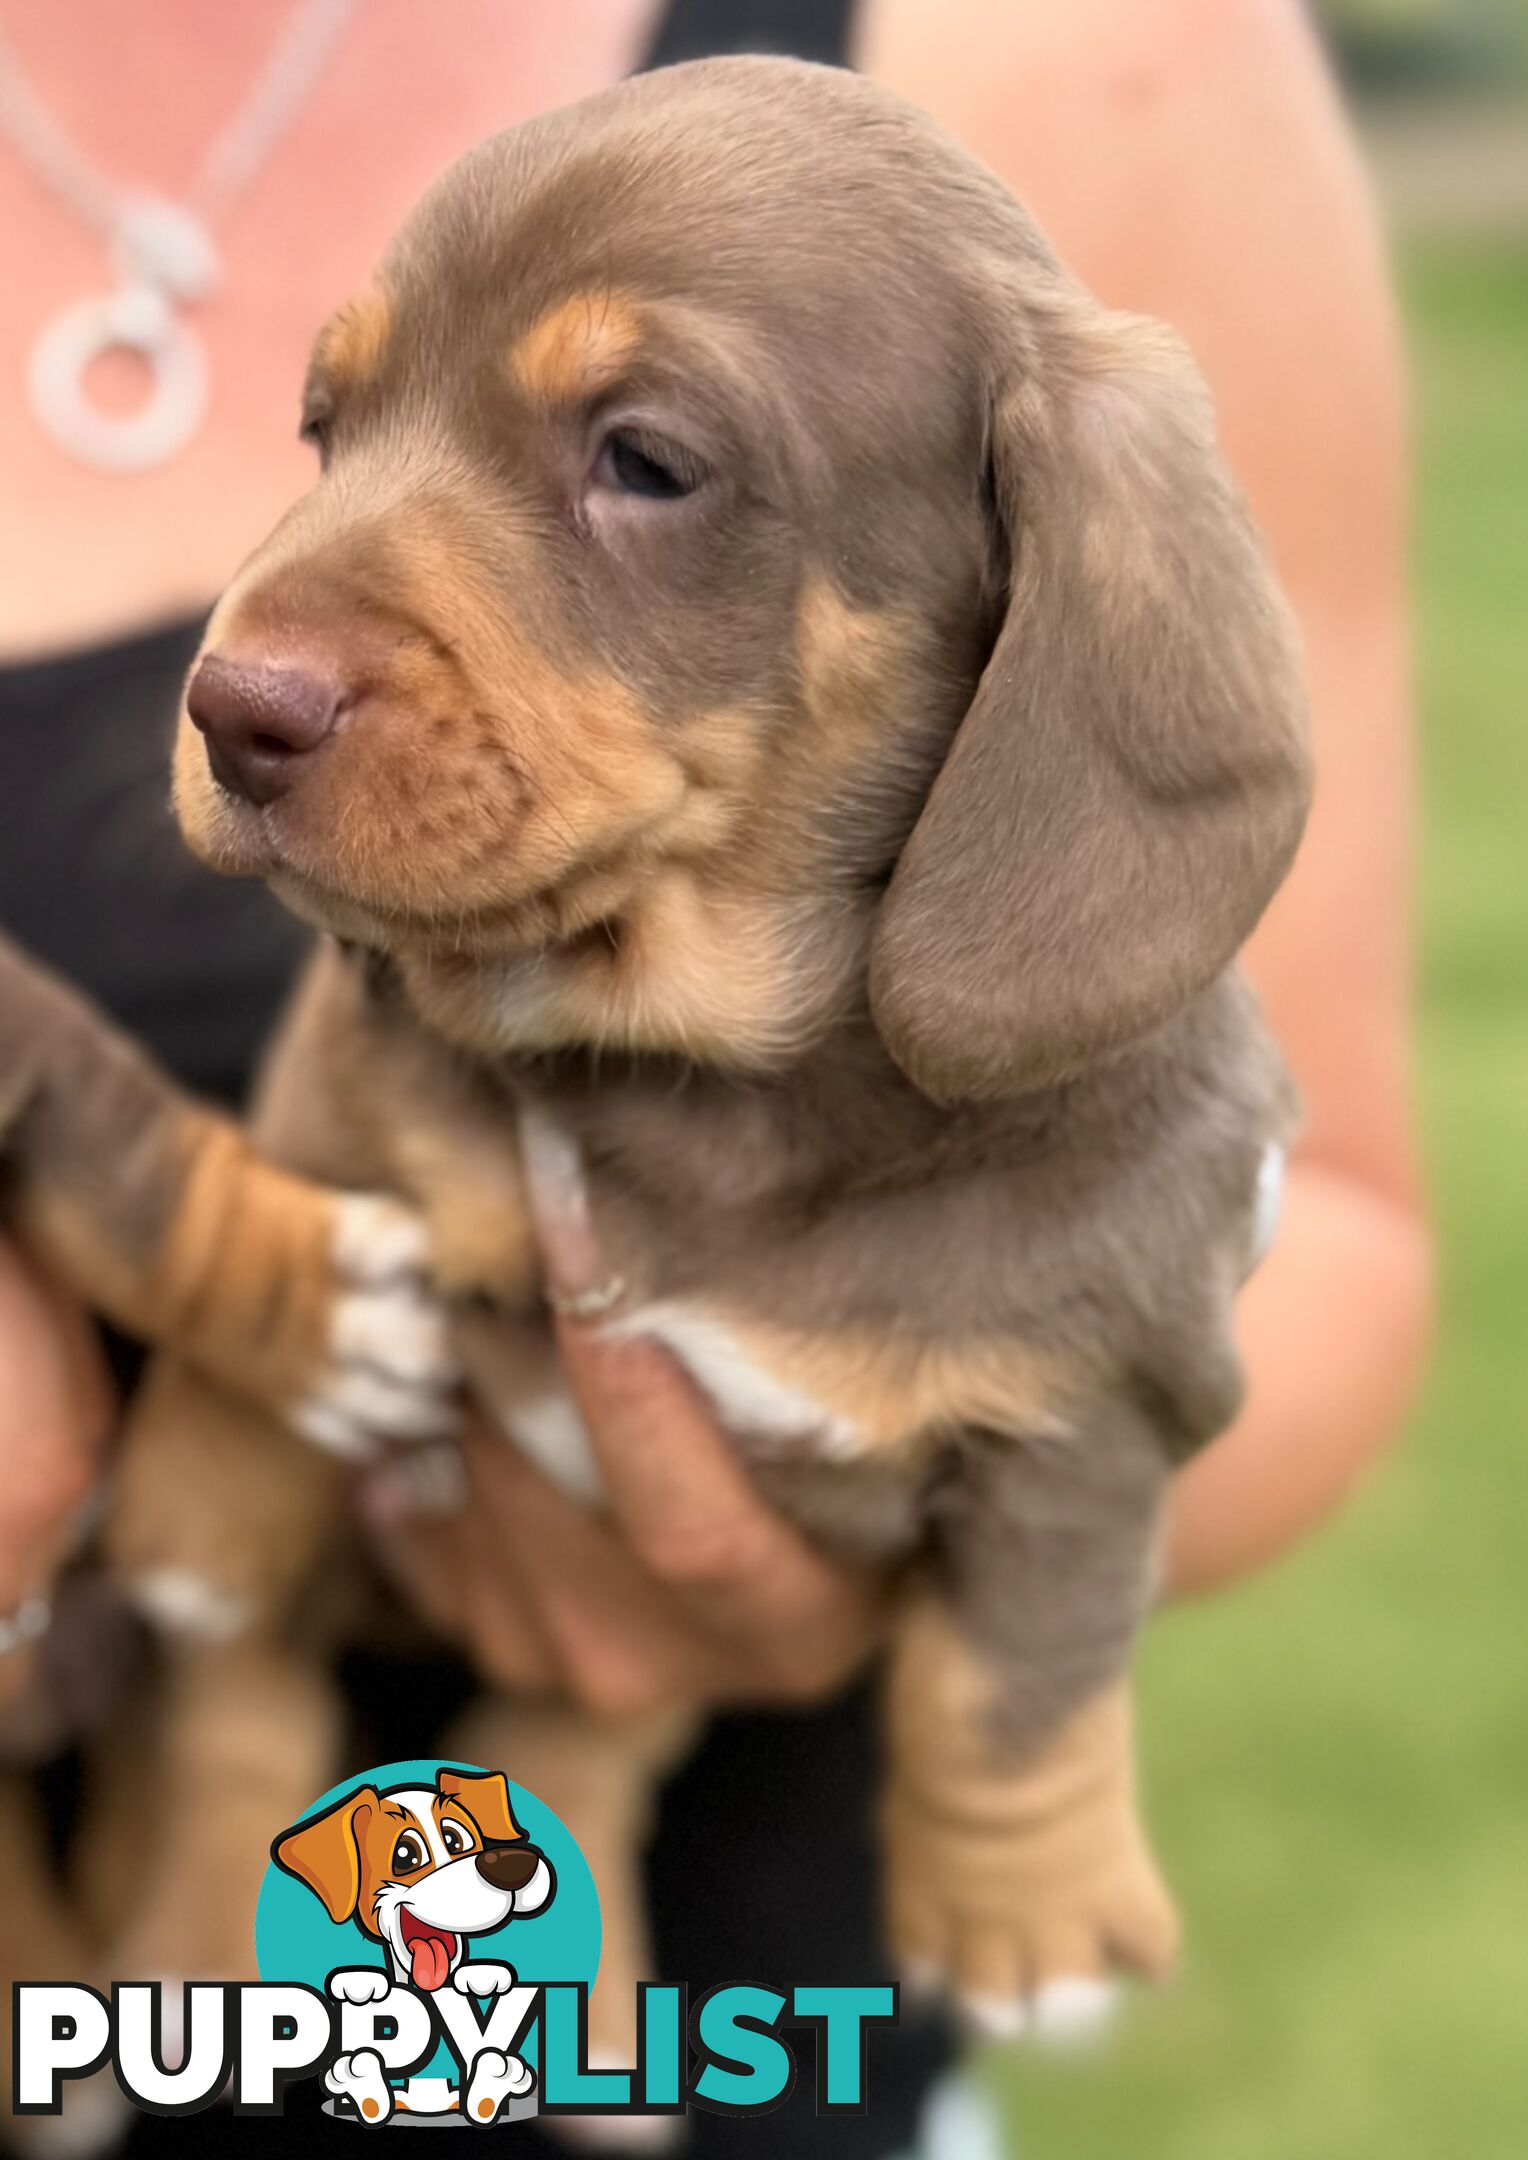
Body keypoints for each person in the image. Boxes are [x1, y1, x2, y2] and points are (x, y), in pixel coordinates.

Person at [0, 1, 1432, 2152]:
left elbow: (1322, 1245)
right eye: (338, 423)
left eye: (643, 463)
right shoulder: (392, 1028)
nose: (260, 661)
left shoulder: (1108, 62)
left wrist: (868, 1570)